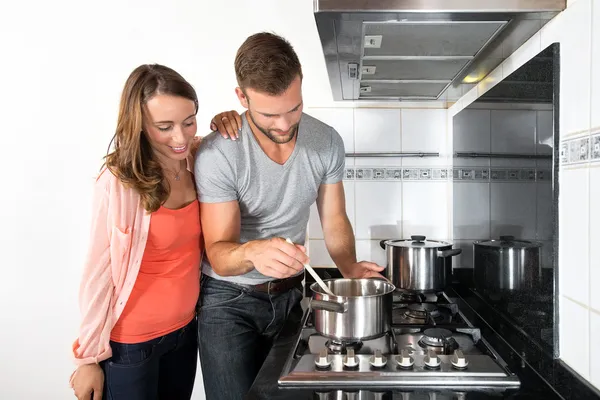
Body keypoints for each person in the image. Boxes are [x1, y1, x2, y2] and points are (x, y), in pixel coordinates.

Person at [195, 32, 385, 400]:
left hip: (290, 298)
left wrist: (348, 268)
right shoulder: (219, 153)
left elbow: (334, 219)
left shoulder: (326, 141)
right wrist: (253, 252)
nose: (284, 125)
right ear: (241, 97)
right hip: (228, 303)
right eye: (268, 114)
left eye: (293, 108)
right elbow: (218, 252)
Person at [69, 64, 236, 400]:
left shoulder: (197, 160)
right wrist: (88, 358)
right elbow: (97, 273)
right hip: (130, 346)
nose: (180, 137)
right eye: (164, 127)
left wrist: (229, 120)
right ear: (141, 125)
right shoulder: (119, 182)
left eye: (189, 122)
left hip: (185, 334)